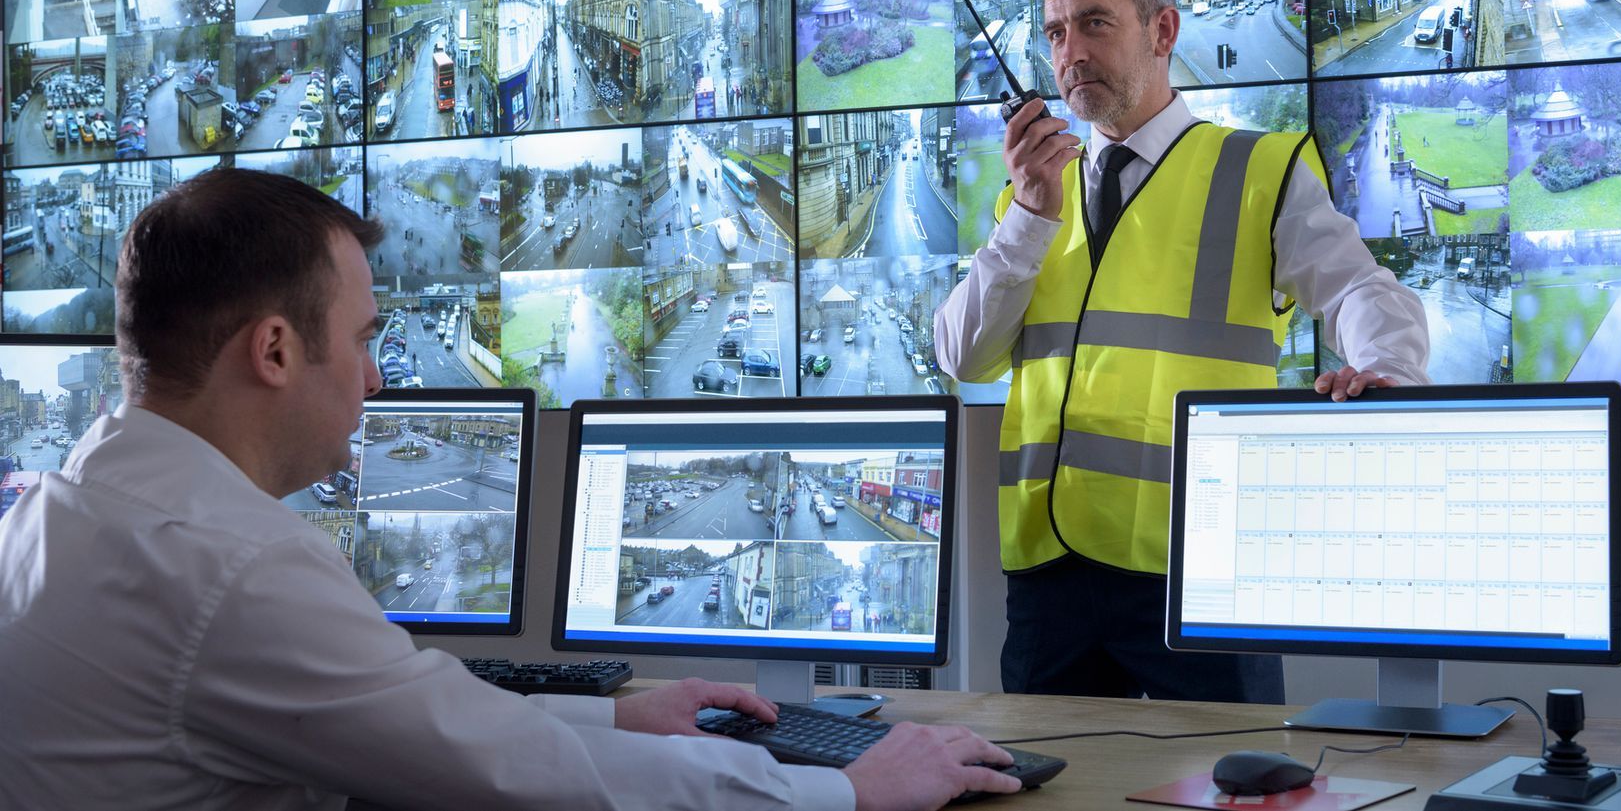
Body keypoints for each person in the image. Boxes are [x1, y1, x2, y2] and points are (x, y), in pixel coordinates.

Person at [0, 168, 1019, 811]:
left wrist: (622, 720)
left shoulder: (68, 503)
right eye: (361, 342)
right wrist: (842, 788)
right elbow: (514, 774)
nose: (378, 380)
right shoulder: (229, 567)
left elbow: (427, 723)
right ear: (273, 349)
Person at [935, 0, 1430, 704]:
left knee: (1228, 784)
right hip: (1049, 574)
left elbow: (1361, 290)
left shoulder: (1256, 170)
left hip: (1200, 574)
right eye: (1056, 31)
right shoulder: (1030, 198)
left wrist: (1386, 373)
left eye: (1095, 23)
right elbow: (962, 356)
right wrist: (1028, 218)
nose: (1070, 53)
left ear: (1163, 31)